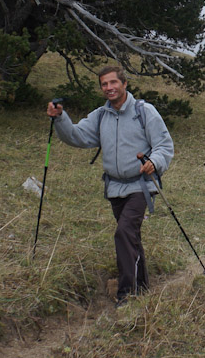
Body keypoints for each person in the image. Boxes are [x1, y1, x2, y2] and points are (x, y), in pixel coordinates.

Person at [46, 66, 174, 307]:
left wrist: (154, 162)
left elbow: (164, 146)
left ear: (124, 84)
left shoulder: (144, 111)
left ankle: (127, 294)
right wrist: (60, 118)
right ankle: (141, 286)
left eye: (113, 82)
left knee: (124, 233)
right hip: (114, 187)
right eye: (104, 84)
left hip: (141, 186)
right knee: (130, 237)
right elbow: (76, 136)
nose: (109, 88)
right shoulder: (100, 116)